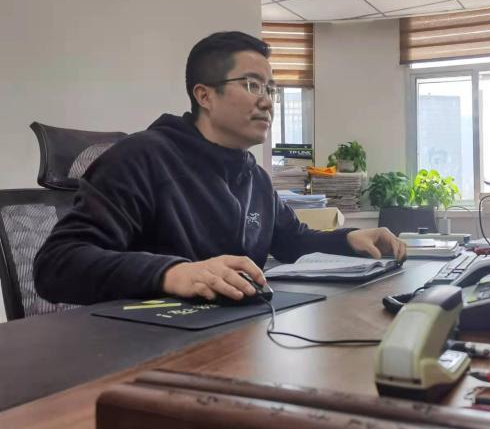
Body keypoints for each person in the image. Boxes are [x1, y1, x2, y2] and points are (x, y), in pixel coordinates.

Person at [34, 31, 406, 305]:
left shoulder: (254, 177)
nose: (267, 101)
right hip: (145, 346)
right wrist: (173, 273)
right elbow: (56, 265)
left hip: (232, 336)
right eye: (252, 85)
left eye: (270, 89)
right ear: (204, 95)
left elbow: (293, 241)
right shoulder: (141, 158)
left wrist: (348, 239)